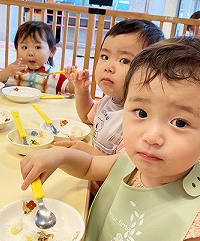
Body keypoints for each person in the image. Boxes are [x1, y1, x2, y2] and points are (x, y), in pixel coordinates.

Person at [20, 36, 200, 241]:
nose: (151, 136)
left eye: (179, 122)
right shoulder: (134, 161)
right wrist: (59, 156)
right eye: (141, 113)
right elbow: (90, 167)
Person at [54, 19, 164, 155]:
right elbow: (86, 116)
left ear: (151, 72)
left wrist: (88, 154)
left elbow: (122, 167)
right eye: (105, 57)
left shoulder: (139, 119)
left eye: (124, 60)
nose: (109, 67)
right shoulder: (109, 100)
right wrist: (82, 91)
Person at [0, 21, 75, 94]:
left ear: (51, 51)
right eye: (24, 47)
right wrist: (6, 73)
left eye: (37, 47)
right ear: (17, 49)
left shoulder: (54, 75)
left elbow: (72, 90)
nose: (30, 53)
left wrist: (71, 80)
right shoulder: (13, 71)